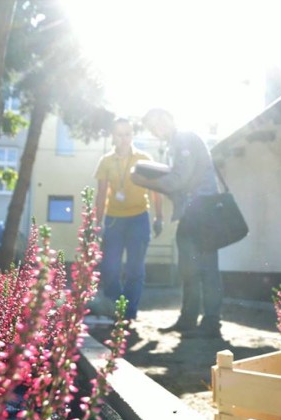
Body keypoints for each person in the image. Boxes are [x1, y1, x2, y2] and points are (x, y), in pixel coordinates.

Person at [130, 108, 223, 338]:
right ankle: (189, 319)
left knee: (207, 267)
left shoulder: (184, 139)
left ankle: (211, 321)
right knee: (189, 267)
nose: (157, 129)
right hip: (193, 211)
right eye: (153, 128)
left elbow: (179, 179)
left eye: (159, 122)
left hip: (204, 209)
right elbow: (180, 180)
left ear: (170, 118)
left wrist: (146, 182)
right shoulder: (174, 144)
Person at [94, 117, 163, 321]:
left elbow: (156, 190)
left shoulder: (144, 159)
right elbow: (101, 194)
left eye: (127, 134)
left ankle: (129, 312)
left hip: (138, 219)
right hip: (113, 220)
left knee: (135, 268)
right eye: (119, 134)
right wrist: (98, 222)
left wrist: (159, 217)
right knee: (110, 267)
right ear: (113, 136)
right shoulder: (105, 161)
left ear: (132, 135)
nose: (123, 139)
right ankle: (116, 309)